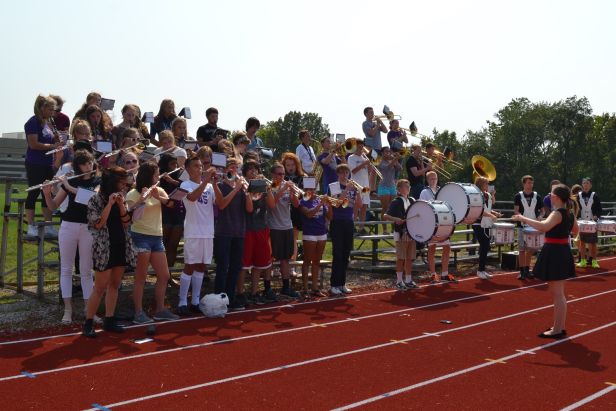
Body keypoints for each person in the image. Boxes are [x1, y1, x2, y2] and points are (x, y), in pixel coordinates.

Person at [512, 184, 578, 339]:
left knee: (557, 294)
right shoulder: (569, 213)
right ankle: (559, 326)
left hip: (555, 251)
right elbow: (576, 231)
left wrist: (522, 218)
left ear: (556, 197)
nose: (550, 196)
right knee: (558, 293)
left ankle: (557, 329)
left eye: (551, 194)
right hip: (561, 251)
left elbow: (543, 227)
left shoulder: (558, 213)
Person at [42, 150, 99, 324]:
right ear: (77, 166)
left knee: (86, 271)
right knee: (66, 269)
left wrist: (67, 185)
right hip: (68, 226)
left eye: (90, 163)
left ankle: (89, 309)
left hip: (88, 228)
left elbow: (92, 198)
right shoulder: (71, 181)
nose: (88, 166)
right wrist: (46, 193)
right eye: (84, 164)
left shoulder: (98, 181)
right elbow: (53, 206)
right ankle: (68, 310)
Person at [83, 166, 136, 337]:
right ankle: (88, 322)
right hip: (104, 248)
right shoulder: (96, 200)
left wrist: (121, 205)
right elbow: (98, 223)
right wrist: (109, 204)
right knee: (99, 287)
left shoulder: (122, 198)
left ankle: (109, 319)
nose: (124, 186)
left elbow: (127, 222)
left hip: (120, 244)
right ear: (113, 182)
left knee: (115, 284)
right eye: (121, 182)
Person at [126, 162, 179, 324]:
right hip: (140, 236)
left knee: (164, 275)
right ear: (148, 176)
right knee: (141, 277)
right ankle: (138, 312)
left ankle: (160, 309)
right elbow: (130, 214)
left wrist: (157, 196)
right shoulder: (132, 193)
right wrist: (143, 198)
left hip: (157, 237)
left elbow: (171, 204)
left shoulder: (159, 190)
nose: (158, 177)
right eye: (156, 175)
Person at [176, 156, 216, 315]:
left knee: (201, 266)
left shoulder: (209, 186)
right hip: (193, 232)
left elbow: (219, 203)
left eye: (201, 166)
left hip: (208, 231)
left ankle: (195, 301)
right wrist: (206, 181)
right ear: (187, 169)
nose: (199, 168)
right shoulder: (185, 185)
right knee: (189, 266)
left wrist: (215, 184)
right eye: (195, 166)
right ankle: (182, 301)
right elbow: (192, 198)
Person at [213, 158, 253, 310]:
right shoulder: (220, 186)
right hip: (223, 231)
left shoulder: (242, 187)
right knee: (223, 267)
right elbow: (222, 204)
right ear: (225, 170)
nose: (234, 170)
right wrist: (236, 189)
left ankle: (230, 298)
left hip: (239, 231)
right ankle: (219, 298)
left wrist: (247, 192)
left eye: (237, 167)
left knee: (235, 266)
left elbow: (249, 209)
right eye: (231, 167)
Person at [24, 95, 63, 238]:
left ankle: (48, 225)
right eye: (50, 108)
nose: (52, 111)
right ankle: (30, 225)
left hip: (48, 163)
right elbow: (33, 144)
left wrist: (58, 140)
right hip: (35, 163)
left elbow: (52, 140)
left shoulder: (48, 124)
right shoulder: (33, 122)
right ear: (42, 108)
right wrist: (53, 145)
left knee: (47, 193)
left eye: (53, 109)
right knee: (33, 193)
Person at [239, 160, 277, 305]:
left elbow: (272, 206)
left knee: (259, 264)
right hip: (248, 229)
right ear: (245, 172)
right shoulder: (242, 186)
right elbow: (248, 209)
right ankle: (241, 293)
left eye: (255, 169)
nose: (253, 172)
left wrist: (268, 190)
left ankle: (255, 293)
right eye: (250, 170)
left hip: (262, 227)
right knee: (244, 264)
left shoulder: (262, 186)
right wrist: (248, 191)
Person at [268, 162, 302, 299]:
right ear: (273, 175)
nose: (282, 176)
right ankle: (267, 288)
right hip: (274, 227)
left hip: (287, 226)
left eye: (283, 174)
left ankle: (286, 287)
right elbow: (271, 204)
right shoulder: (269, 187)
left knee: (285, 260)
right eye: (279, 174)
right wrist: (282, 190)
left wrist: (293, 193)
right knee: (270, 259)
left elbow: (297, 204)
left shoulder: (287, 186)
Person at [330, 164, 362, 295]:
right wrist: (346, 189)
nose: (345, 175)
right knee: (337, 254)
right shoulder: (333, 186)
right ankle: (334, 284)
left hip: (348, 221)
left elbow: (358, 205)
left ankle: (342, 283)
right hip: (337, 221)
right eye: (342, 173)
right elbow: (336, 203)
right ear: (338, 174)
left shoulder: (353, 187)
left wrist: (358, 193)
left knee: (346, 254)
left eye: (346, 173)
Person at [420, 171, 458, 283]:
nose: (433, 180)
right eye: (431, 178)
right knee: (432, 248)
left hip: (443, 223)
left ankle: (445, 274)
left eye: (435, 178)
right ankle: (433, 274)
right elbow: (423, 206)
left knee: (447, 247)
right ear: (427, 180)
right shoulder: (424, 192)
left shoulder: (442, 190)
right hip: (431, 224)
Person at [383, 179, 418, 290]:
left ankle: (408, 280)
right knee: (401, 258)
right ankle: (399, 281)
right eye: (405, 186)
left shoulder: (412, 200)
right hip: (401, 233)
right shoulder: (396, 201)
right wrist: (396, 219)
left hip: (411, 233)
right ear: (399, 189)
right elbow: (385, 215)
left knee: (409, 258)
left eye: (409, 186)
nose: (408, 188)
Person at [299, 189, 332, 297]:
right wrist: (320, 205)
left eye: (314, 189)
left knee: (317, 261)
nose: (313, 191)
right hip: (309, 233)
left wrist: (330, 204)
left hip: (321, 233)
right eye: (310, 190)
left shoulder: (319, 200)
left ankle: (315, 288)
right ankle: (304, 289)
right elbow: (309, 214)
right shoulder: (303, 202)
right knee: (307, 261)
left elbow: (329, 217)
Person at [158, 154, 185, 270]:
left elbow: (185, 188)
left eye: (175, 163)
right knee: (163, 244)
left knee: (173, 245)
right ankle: (160, 272)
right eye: (171, 164)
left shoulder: (180, 176)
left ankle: (169, 272)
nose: (175, 166)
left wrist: (172, 180)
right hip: (164, 213)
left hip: (178, 213)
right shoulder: (159, 177)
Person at [513, 175, 543, 280]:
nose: (530, 185)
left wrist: (540, 216)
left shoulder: (537, 196)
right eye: (528, 183)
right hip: (522, 226)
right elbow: (516, 210)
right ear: (524, 184)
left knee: (530, 250)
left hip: (533, 226)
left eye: (532, 183)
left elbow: (542, 210)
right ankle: (521, 271)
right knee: (522, 249)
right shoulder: (518, 196)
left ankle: (527, 270)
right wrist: (521, 218)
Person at [472, 176, 501, 279]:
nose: (488, 185)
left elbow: (488, 207)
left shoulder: (486, 195)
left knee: (485, 246)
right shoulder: (477, 195)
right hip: (479, 224)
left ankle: (482, 270)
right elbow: (479, 211)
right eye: (486, 184)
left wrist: (495, 213)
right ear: (481, 184)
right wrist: (491, 215)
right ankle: (480, 270)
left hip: (486, 223)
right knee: (485, 245)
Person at [281, 152, 305, 271]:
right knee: (280, 239)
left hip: (295, 210)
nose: (290, 167)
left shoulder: (302, 178)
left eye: (292, 165)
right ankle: (279, 265)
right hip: (281, 210)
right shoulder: (280, 177)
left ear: (297, 165)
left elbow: (305, 195)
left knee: (293, 239)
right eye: (288, 165)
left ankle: (292, 266)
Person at [576, 177, 602, 268]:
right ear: (582, 185)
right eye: (584, 183)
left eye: (587, 183)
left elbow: (599, 209)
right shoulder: (578, 196)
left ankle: (594, 261)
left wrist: (596, 216)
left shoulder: (595, 195)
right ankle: (583, 260)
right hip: (582, 222)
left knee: (593, 243)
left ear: (590, 185)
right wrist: (577, 217)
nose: (586, 185)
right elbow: (576, 209)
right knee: (582, 242)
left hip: (592, 222)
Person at [347, 138, 371, 234]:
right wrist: (364, 163)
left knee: (364, 206)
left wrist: (369, 164)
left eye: (362, 147)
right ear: (355, 147)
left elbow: (368, 171)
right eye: (359, 147)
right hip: (356, 185)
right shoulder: (351, 157)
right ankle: (352, 226)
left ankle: (361, 227)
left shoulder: (364, 157)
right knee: (355, 207)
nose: (361, 149)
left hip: (365, 185)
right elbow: (353, 171)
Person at [376, 147, 401, 234]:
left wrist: (396, 159)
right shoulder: (379, 161)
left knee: (393, 208)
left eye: (389, 152)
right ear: (382, 153)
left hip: (392, 186)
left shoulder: (392, 161)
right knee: (385, 208)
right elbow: (387, 168)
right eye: (386, 152)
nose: (388, 153)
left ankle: (393, 228)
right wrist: (395, 159)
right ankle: (385, 230)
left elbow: (400, 168)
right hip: (383, 186)